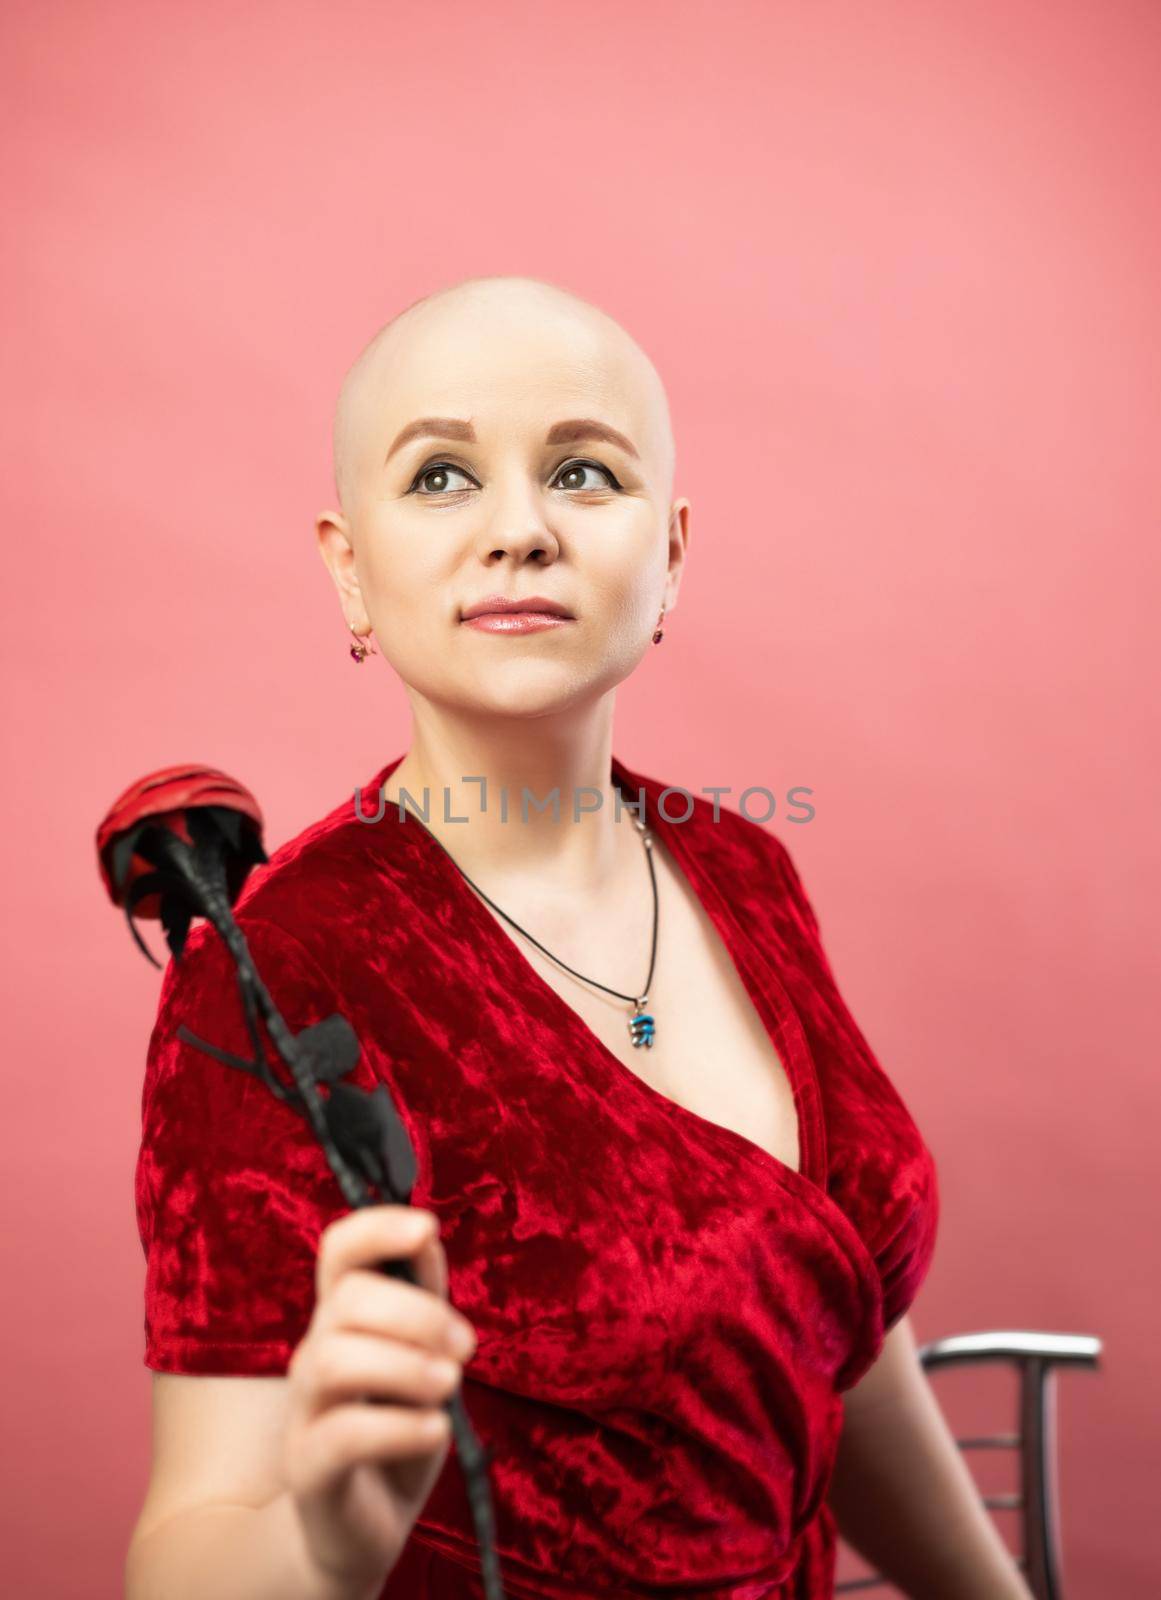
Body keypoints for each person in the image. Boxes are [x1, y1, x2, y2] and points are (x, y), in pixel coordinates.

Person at [125, 275, 1029, 1600]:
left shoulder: (743, 865)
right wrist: (321, 1542)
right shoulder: (278, 977)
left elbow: (826, 1328)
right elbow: (183, 1552)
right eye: (440, 476)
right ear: (347, 567)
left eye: (581, 473)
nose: (520, 531)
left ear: (668, 555)